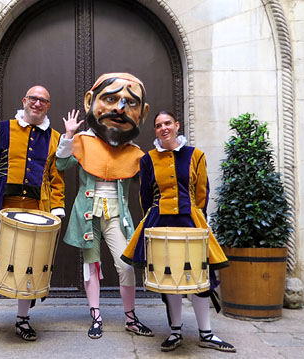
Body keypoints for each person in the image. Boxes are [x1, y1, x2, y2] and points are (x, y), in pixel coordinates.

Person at [0, 85, 65, 345]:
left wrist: (56, 211)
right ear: (24, 100)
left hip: (37, 208)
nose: (37, 103)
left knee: (30, 264)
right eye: (34, 99)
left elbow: (56, 178)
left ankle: (22, 320)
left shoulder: (55, 137)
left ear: (48, 106)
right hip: (3, 206)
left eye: (43, 100)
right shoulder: (4, 129)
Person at [122, 111, 236, 352]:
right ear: (155, 130)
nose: (163, 128)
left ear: (176, 125)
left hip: (190, 221)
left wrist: (197, 216)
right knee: (168, 277)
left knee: (199, 278)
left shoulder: (196, 155)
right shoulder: (148, 158)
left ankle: (206, 333)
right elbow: (144, 195)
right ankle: (175, 331)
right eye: (158, 125)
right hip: (160, 221)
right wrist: (151, 218)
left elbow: (202, 192)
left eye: (167, 124)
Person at [56, 73, 153, 339]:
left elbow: (149, 183)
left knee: (125, 266)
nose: (120, 108)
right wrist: (69, 135)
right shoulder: (84, 141)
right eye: (111, 99)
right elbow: (62, 165)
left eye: (128, 103)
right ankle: (95, 315)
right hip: (87, 215)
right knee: (92, 266)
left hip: (116, 216)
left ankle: (131, 318)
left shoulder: (133, 151)